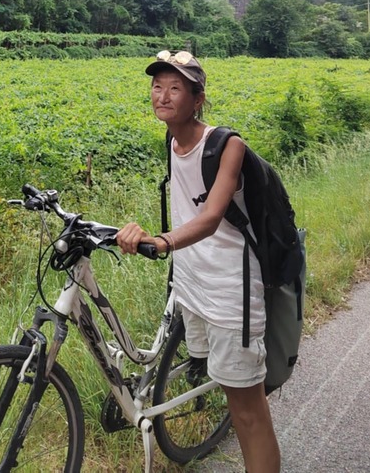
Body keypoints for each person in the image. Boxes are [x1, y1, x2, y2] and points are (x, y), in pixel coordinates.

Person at [116, 50, 280, 473]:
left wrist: (161, 241)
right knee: (216, 379)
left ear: (198, 99)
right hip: (191, 284)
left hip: (231, 292)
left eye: (176, 88)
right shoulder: (171, 140)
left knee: (247, 410)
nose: (163, 95)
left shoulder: (228, 146)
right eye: (157, 86)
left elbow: (209, 219)